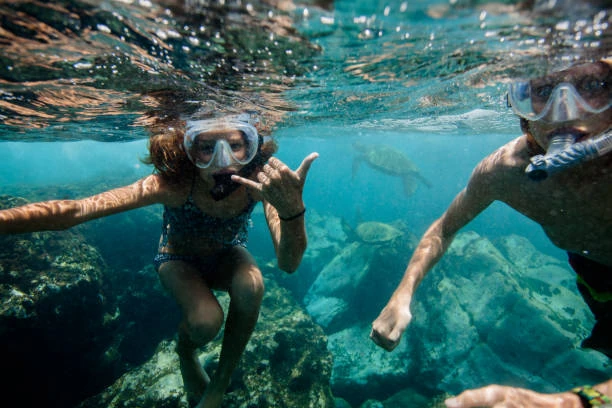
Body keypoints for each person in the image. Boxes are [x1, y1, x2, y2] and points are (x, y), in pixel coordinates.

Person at [0, 112, 318, 408]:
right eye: (207, 148)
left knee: (252, 285)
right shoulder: (175, 185)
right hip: (179, 259)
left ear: (251, 146)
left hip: (227, 254)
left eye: (235, 146)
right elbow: (78, 210)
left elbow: (289, 264)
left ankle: (219, 384)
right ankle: (185, 352)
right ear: (188, 150)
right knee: (205, 322)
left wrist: (292, 211)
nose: (223, 162)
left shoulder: (259, 184)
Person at [370, 58, 612, 407]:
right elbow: (443, 229)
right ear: (521, 111)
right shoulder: (506, 172)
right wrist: (402, 293)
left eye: (592, 85)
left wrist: (573, 403)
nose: (564, 111)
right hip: (597, 281)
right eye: (543, 91)